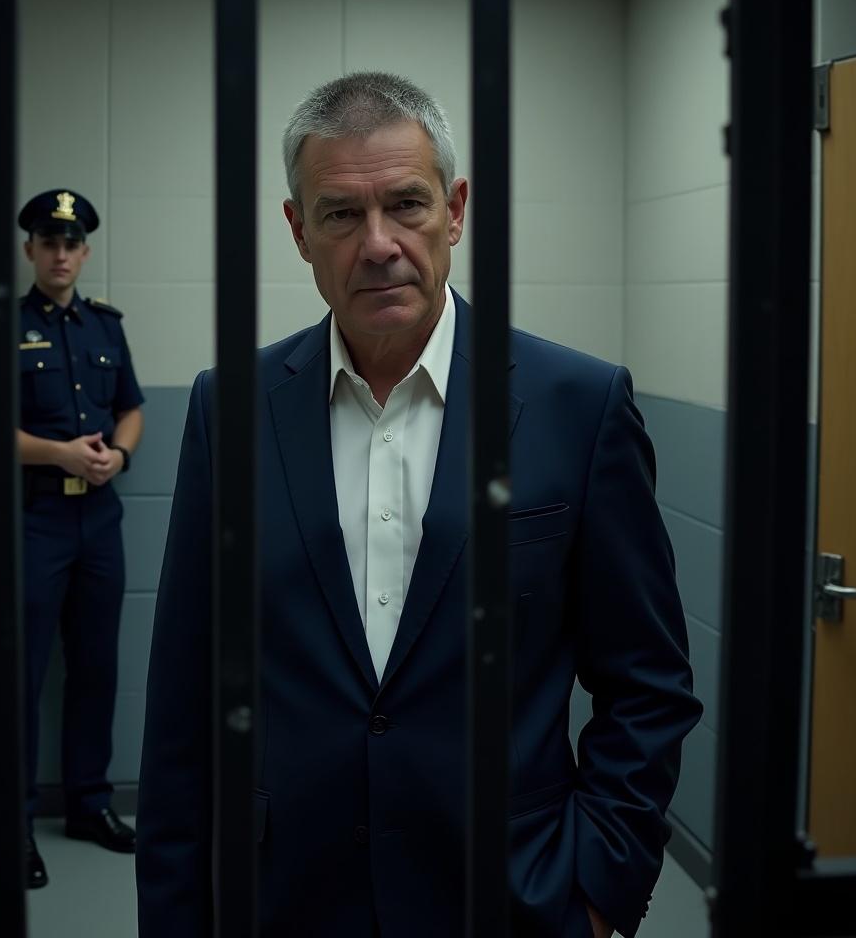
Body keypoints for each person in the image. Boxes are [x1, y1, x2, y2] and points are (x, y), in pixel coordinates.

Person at [136, 73, 701, 937]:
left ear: (456, 209)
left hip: (512, 898)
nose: (379, 244)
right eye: (339, 215)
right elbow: (183, 700)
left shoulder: (575, 405)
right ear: (297, 231)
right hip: (285, 902)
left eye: (406, 204)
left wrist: (596, 889)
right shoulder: (232, 410)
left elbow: (649, 685)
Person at [0, 189, 145, 889]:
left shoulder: (105, 326)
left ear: (85, 252)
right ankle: (11, 830)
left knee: (96, 671)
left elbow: (131, 411)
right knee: (21, 681)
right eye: (49, 241)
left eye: (72, 243)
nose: (61, 253)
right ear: (30, 250)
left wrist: (117, 458)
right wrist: (60, 455)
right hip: (35, 524)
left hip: (99, 522)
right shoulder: (2, 326)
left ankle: (89, 807)